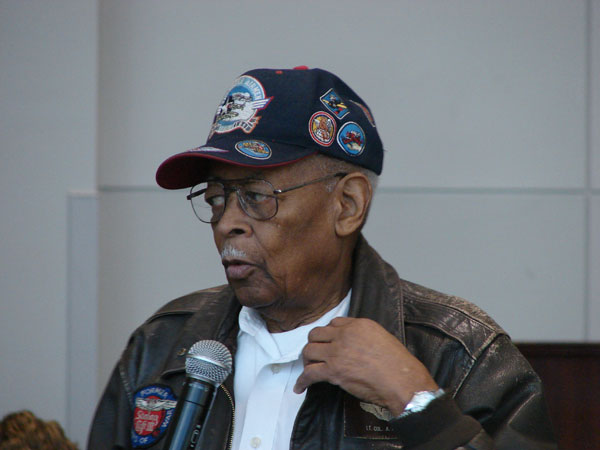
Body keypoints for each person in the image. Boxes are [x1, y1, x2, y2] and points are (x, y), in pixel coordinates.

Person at [88, 67, 557, 449]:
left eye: (255, 196)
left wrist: (418, 403)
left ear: (347, 206)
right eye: (216, 198)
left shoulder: (458, 353)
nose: (228, 221)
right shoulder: (161, 345)